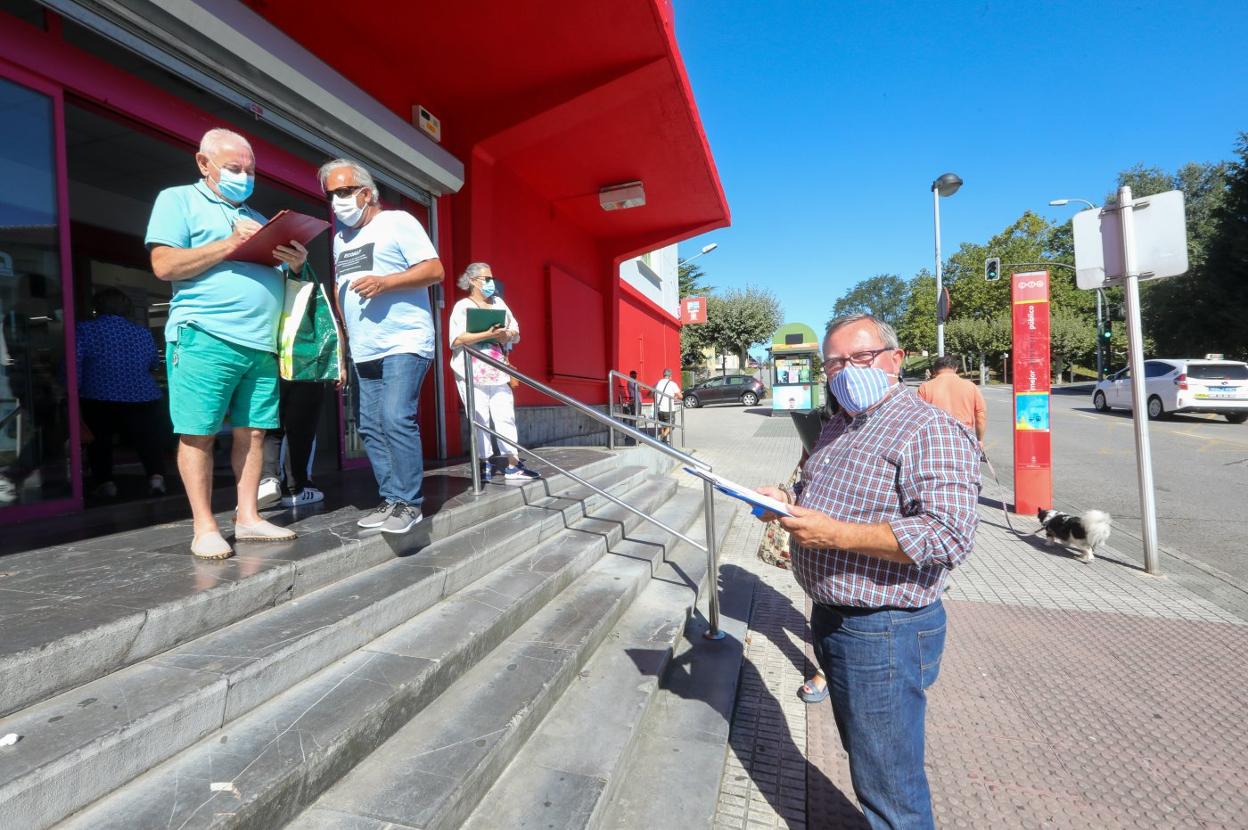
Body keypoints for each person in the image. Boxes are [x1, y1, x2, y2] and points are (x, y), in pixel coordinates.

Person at [755, 313, 980, 829]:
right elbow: (820, 494)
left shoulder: (929, 428)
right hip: (836, 618)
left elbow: (948, 534)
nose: (843, 372)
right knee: (869, 765)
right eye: (833, 363)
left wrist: (833, 534)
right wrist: (786, 501)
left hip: (883, 628)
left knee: (889, 787)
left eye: (858, 358)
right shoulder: (842, 422)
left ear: (894, 360)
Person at [146, 128, 306, 559]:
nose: (244, 176)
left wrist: (292, 264)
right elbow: (163, 265)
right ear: (204, 163)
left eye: (250, 170)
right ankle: (204, 526)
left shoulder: (256, 215)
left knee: (254, 434)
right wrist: (228, 243)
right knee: (198, 433)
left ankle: (249, 517)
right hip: (205, 334)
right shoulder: (178, 200)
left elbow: (265, 277)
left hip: (261, 344)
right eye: (234, 168)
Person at [319, 158, 444, 533]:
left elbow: (435, 270)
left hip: (403, 340)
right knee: (371, 426)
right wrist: (344, 342)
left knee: (395, 417)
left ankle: (410, 503)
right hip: (364, 348)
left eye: (344, 191)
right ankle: (392, 499)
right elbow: (343, 291)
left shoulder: (398, 222)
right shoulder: (341, 239)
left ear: (367, 192)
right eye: (331, 194)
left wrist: (385, 283)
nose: (337, 200)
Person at [448, 262, 539, 481]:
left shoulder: (498, 303)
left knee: (505, 415)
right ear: (472, 281)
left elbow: (515, 330)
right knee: (479, 417)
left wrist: (505, 335)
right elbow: (457, 339)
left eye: (492, 279)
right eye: (486, 279)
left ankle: (512, 463)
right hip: (472, 370)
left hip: (497, 368)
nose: (491, 283)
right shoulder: (462, 306)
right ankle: (484, 462)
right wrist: (485, 334)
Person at [75, 288, 167, 498]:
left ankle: (106, 483)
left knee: (100, 441)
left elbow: (74, 363)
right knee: (147, 439)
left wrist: (72, 389)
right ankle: (156, 477)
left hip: (98, 393)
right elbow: (153, 363)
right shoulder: (141, 332)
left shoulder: (84, 329)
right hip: (142, 394)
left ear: (96, 307)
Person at [258, 379, 328, 507]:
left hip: (272, 367)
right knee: (301, 427)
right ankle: (294, 490)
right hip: (307, 367)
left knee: (272, 428)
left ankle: (269, 479)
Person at [918, 354, 987, 447]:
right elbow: (980, 416)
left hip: (936, 437)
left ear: (934, 370)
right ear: (956, 368)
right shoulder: (971, 386)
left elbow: (918, 417)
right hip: (963, 437)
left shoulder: (925, 387)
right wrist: (980, 440)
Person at [654, 368, 682, 444]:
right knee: (671, 425)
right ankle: (663, 437)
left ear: (663, 375)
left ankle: (664, 441)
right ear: (670, 376)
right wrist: (674, 398)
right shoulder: (672, 383)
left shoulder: (658, 383)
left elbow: (652, 394)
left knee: (663, 425)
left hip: (659, 408)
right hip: (669, 409)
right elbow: (680, 396)